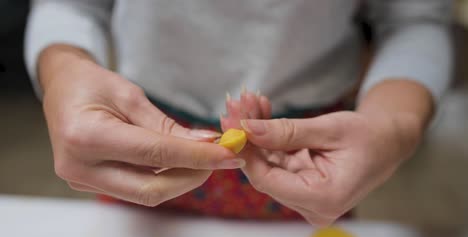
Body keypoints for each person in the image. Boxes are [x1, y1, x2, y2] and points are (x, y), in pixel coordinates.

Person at [25, 0, 453, 225]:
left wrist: (391, 126)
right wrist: (64, 72)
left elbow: (416, 19)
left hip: (311, 160)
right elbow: (71, 5)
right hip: (135, 146)